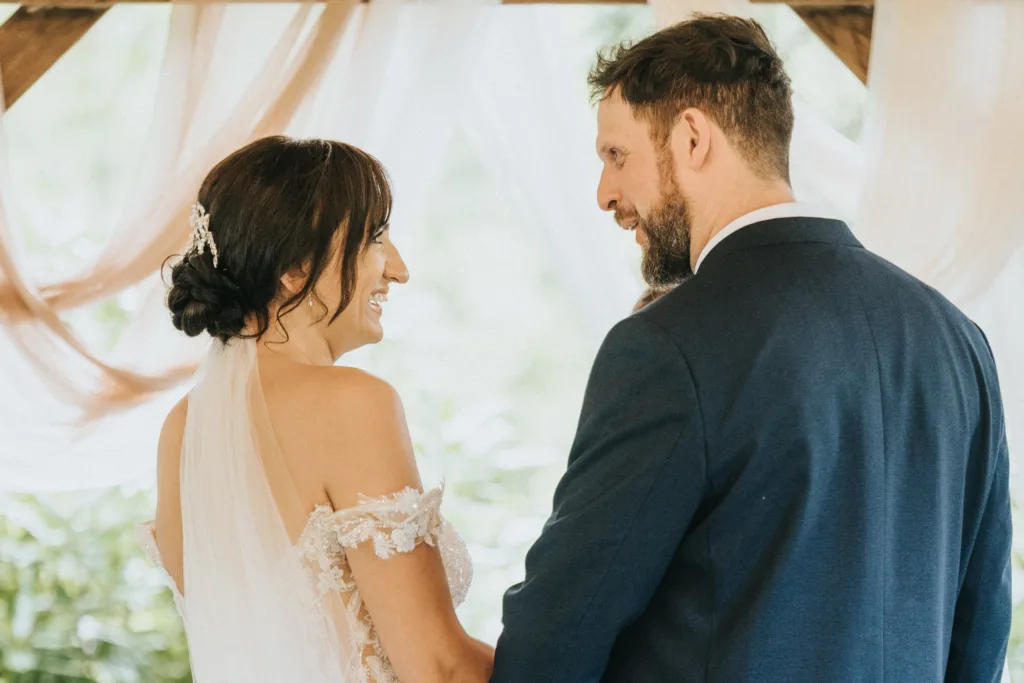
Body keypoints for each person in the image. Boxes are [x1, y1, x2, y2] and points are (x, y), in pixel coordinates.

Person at [491, 14, 1011, 683]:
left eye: (616, 156)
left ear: (691, 136)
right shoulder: (958, 341)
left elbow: (555, 640)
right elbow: (980, 636)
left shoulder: (667, 347)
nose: (606, 195)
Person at [138, 136, 493, 683]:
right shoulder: (352, 403)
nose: (399, 270)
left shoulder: (182, 430)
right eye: (375, 238)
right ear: (296, 268)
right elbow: (440, 669)